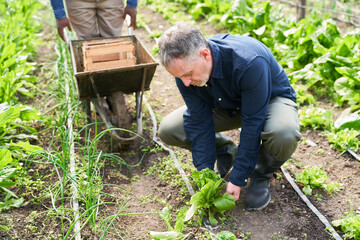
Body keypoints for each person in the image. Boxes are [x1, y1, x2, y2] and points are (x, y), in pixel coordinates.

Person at [157, 22, 301, 210]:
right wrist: (206, 175)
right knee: (169, 129)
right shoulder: (185, 75)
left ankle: (261, 173)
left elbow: (252, 124)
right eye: (179, 77)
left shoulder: (248, 62)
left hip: (269, 102)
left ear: (204, 54)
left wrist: (239, 177)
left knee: (284, 133)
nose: (185, 83)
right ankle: (226, 150)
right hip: (227, 104)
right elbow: (199, 121)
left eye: (188, 74)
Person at [50, 0, 138, 41]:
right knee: (87, 43)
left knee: (113, 40)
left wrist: (132, 4)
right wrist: (60, 14)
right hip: (78, 2)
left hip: (112, 2)